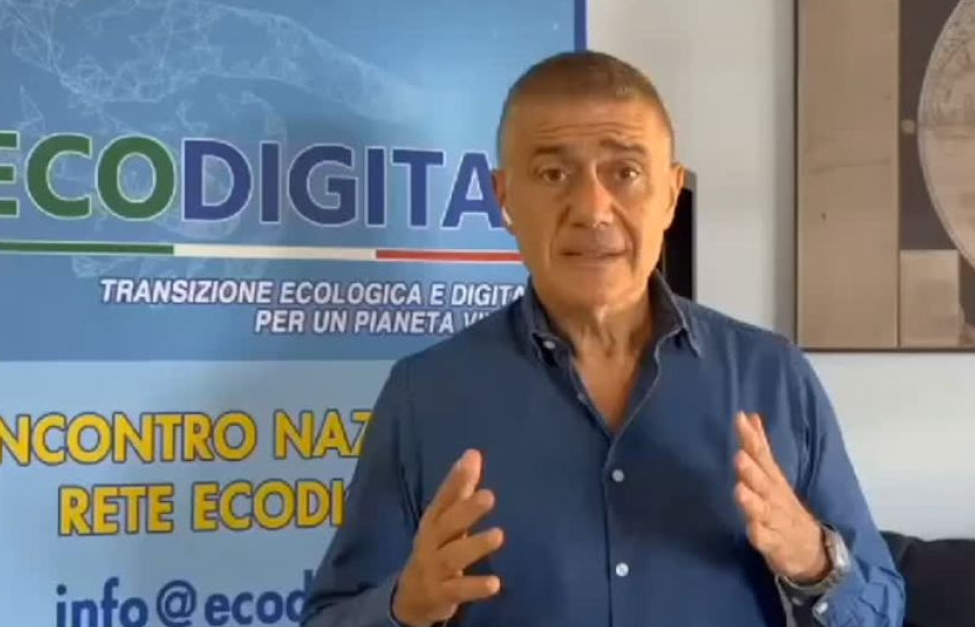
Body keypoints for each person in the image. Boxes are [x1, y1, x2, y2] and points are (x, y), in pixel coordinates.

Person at [301, 50, 905, 627]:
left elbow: (882, 610)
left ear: (670, 196)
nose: (592, 209)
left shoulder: (772, 376)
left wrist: (813, 558)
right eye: (553, 173)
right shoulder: (425, 395)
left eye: (626, 172)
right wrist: (405, 607)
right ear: (505, 199)